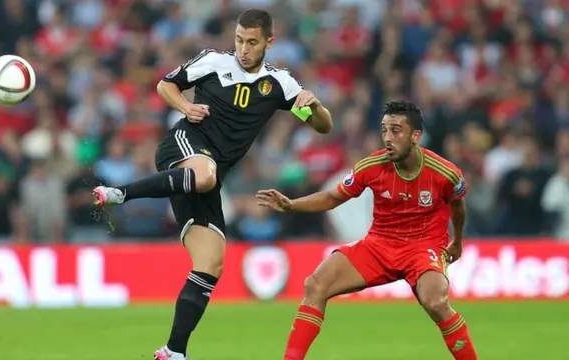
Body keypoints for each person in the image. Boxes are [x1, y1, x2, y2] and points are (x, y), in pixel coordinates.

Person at [92, 8, 333, 360]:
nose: (243, 48)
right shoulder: (213, 62)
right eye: (239, 39)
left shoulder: (280, 85)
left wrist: (316, 105)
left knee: (210, 263)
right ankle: (120, 193)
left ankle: (174, 351)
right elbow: (166, 84)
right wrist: (185, 107)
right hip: (185, 146)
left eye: (252, 42)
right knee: (206, 175)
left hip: (205, 176)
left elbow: (322, 126)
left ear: (269, 42)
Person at [256, 101, 478, 360]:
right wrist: (292, 204)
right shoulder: (371, 166)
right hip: (379, 245)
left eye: (396, 130)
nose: (388, 138)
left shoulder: (444, 173)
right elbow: (332, 197)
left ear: (416, 136)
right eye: (384, 130)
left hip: (424, 246)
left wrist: (457, 242)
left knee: (436, 302)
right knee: (315, 284)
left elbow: (458, 207)